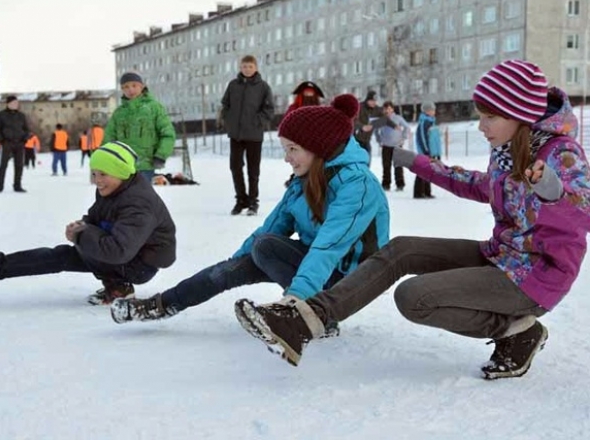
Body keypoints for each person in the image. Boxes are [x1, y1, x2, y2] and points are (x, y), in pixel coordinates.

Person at [235, 60, 590, 381]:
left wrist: (553, 192)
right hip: (502, 256)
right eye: (479, 115)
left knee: (414, 297)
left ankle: (517, 331)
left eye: (490, 117)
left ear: (520, 115)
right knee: (402, 249)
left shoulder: (561, 154)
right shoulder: (508, 150)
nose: (481, 126)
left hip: (538, 276)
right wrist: (418, 163)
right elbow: (483, 186)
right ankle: (307, 319)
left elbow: (583, 205)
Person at [109, 94, 390, 328]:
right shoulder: (303, 182)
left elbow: (328, 247)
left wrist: (295, 300)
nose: (286, 158)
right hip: (319, 270)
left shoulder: (358, 185)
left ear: (319, 148)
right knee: (251, 253)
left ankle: (311, 316)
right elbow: (271, 228)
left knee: (266, 247)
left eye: (293, 149)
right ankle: (161, 305)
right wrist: (234, 267)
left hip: (351, 281)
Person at [0, 141, 177, 305]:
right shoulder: (116, 187)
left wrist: (82, 235)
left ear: (121, 172)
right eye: (94, 173)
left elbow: (118, 251)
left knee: (65, 254)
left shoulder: (138, 204)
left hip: (138, 266)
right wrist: (81, 227)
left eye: (104, 174)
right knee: (60, 256)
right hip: (126, 256)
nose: (97, 180)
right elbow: (95, 218)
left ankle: (118, 284)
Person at [221, 55, 275, 216]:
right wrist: (229, 120)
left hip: (254, 135)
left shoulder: (263, 87)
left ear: (256, 68)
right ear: (240, 67)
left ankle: (253, 202)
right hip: (236, 134)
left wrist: (257, 121)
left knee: (253, 170)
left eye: (250, 66)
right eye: (244, 66)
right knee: (235, 167)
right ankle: (240, 200)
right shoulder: (233, 85)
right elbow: (225, 104)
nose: (247, 69)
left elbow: (269, 109)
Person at [104, 72, 175, 182]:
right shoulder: (119, 113)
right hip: (122, 166)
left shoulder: (154, 108)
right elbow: (109, 138)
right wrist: (103, 159)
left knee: (140, 197)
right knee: (123, 198)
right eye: (126, 87)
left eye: (134, 85)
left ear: (142, 87)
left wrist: (161, 154)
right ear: (122, 90)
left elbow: (167, 134)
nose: (130, 90)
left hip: (145, 165)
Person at [354, 90, 398, 168]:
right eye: (371, 101)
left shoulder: (377, 109)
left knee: (368, 161)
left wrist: (394, 126)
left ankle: (366, 176)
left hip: (366, 140)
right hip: (355, 140)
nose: (373, 103)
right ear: (367, 100)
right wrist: (362, 127)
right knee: (357, 162)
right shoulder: (360, 107)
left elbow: (385, 119)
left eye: (375, 101)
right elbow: (354, 120)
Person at [0, 95, 29, 193]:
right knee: (3, 166)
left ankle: (17, 186)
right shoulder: (1, 115)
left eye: (17, 103)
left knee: (19, 165)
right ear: (8, 104)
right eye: (14, 103)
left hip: (19, 143)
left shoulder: (21, 116)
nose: (16, 105)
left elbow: (26, 129)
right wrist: (1, 140)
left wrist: (24, 139)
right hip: (7, 143)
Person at [375, 101, 409, 191]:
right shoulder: (382, 119)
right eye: (385, 109)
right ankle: (386, 184)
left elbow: (407, 127)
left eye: (389, 108)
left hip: (397, 145)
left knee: (398, 165)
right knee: (386, 166)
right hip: (386, 145)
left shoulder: (398, 118)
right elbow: (376, 130)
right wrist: (379, 139)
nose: (387, 110)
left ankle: (400, 184)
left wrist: (404, 137)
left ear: (392, 109)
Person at [413, 101, 441, 199]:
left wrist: (437, 152)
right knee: (421, 171)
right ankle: (418, 192)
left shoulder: (432, 123)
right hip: (425, 152)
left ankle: (427, 192)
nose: (434, 111)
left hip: (431, 152)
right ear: (426, 111)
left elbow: (436, 140)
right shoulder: (424, 123)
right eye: (432, 110)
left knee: (429, 172)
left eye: (434, 109)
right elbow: (422, 138)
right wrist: (425, 150)